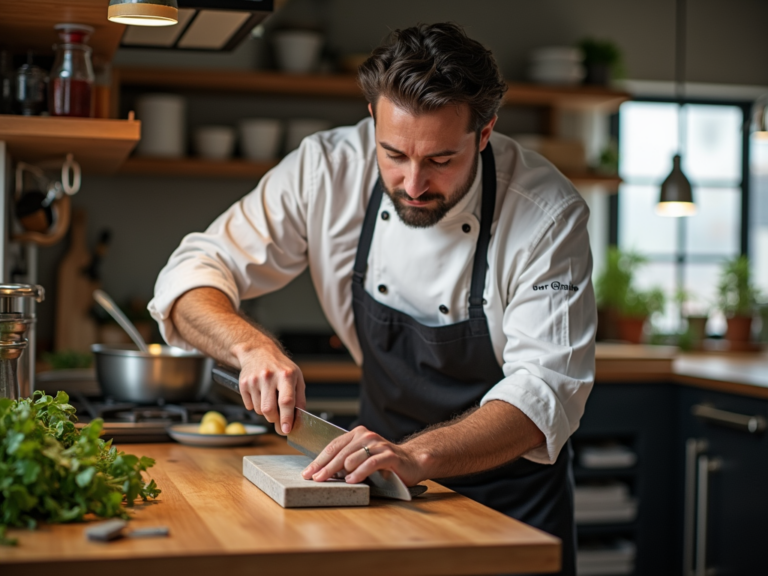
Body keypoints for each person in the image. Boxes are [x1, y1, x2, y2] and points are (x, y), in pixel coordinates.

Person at [149, 22, 595, 576]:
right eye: (394, 154)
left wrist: (417, 457)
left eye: (440, 160)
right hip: (375, 487)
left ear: (484, 135)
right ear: (372, 120)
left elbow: (544, 391)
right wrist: (249, 348)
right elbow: (191, 274)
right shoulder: (325, 169)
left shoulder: (547, 214)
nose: (411, 184)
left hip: (512, 501)